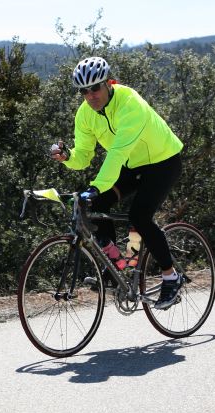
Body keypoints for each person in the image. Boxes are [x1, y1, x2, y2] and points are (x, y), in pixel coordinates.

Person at [50, 56, 184, 309]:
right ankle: (113, 267)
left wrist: (95, 186)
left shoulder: (130, 103)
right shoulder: (85, 115)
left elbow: (117, 154)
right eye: (84, 91)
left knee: (140, 216)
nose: (90, 95)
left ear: (109, 83)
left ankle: (171, 276)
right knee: (97, 204)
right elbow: (83, 156)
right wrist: (67, 156)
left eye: (95, 88)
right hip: (132, 166)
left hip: (163, 162)